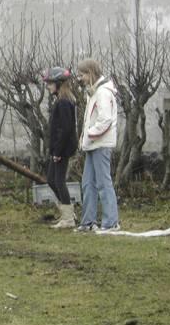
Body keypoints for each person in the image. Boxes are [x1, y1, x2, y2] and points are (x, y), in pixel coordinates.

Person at [75, 58, 120, 232]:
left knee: (103, 183)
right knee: (88, 183)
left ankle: (111, 222)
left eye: (82, 75)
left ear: (90, 73)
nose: (80, 79)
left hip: (101, 144)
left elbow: (105, 120)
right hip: (93, 145)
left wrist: (89, 135)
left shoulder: (103, 93)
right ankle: (88, 221)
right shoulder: (93, 92)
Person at [43, 67, 78, 229]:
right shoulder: (61, 100)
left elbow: (65, 129)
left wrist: (57, 152)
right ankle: (68, 212)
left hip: (62, 149)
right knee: (51, 180)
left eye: (50, 83)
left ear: (58, 84)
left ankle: (68, 218)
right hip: (58, 148)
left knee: (58, 181)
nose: (48, 86)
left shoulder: (64, 102)